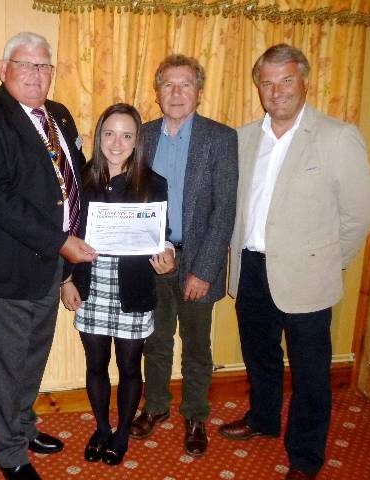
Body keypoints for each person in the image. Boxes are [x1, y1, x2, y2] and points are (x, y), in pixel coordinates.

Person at [219, 44, 370, 480]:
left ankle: (305, 457)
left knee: (309, 373)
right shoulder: (244, 137)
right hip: (251, 269)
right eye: (267, 82)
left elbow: (359, 215)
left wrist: (328, 262)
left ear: (305, 80)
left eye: (286, 79)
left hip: (308, 275)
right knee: (260, 355)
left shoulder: (336, 136)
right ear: (259, 88)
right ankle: (263, 419)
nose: (277, 90)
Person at [0, 32, 96, 480]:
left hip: (50, 267)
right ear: (4, 69)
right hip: (4, 267)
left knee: (31, 357)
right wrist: (60, 242)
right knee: (2, 365)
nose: (36, 75)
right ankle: (8, 452)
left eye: (44, 67)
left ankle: (21, 424)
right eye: (26, 65)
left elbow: (70, 185)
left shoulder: (58, 115)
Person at [130, 54, 238, 457]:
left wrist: (204, 270)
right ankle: (155, 407)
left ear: (199, 91)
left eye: (186, 85)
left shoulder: (221, 138)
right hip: (152, 261)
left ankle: (195, 415)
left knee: (196, 347)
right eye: (168, 85)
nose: (176, 93)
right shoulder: (142, 135)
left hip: (198, 262)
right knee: (155, 342)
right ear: (157, 92)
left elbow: (224, 210)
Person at [60, 103, 174, 466]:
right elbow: (67, 231)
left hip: (133, 288)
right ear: (99, 136)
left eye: (126, 135)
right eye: (109, 133)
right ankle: (101, 427)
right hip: (90, 284)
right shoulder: (82, 180)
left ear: (137, 141)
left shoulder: (154, 183)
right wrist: (65, 279)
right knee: (95, 364)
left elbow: (162, 236)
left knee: (128, 367)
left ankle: (122, 431)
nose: (116, 142)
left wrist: (167, 255)